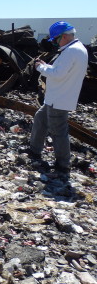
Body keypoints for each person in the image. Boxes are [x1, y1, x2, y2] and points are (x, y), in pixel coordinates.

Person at [24, 21, 88, 174]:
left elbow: (58, 74)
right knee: (40, 119)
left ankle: (63, 164)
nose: (54, 42)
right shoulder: (76, 49)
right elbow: (61, 70)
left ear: (64, 36)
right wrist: (47, 66)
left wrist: (40, 67)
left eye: (55, 39)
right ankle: (35, 150)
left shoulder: (72, 51)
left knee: (58, 131)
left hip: (59, 99)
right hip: (57, 97)